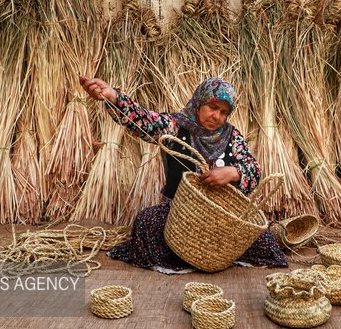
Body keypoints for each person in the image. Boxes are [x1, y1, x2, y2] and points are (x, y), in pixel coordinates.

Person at [79, 75, 287, 274]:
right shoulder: (174, 127)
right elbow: (142, 120)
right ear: (199, 102)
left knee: (265, 240)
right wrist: (113, 97)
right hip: (179, 215)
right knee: (146, 221)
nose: (217, 116)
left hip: (221, 220)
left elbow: (254, 170)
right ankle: (201, 257)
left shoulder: (232, 137)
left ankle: (205, 257)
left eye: (224, 112)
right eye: (212, 107)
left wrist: (234, 172)